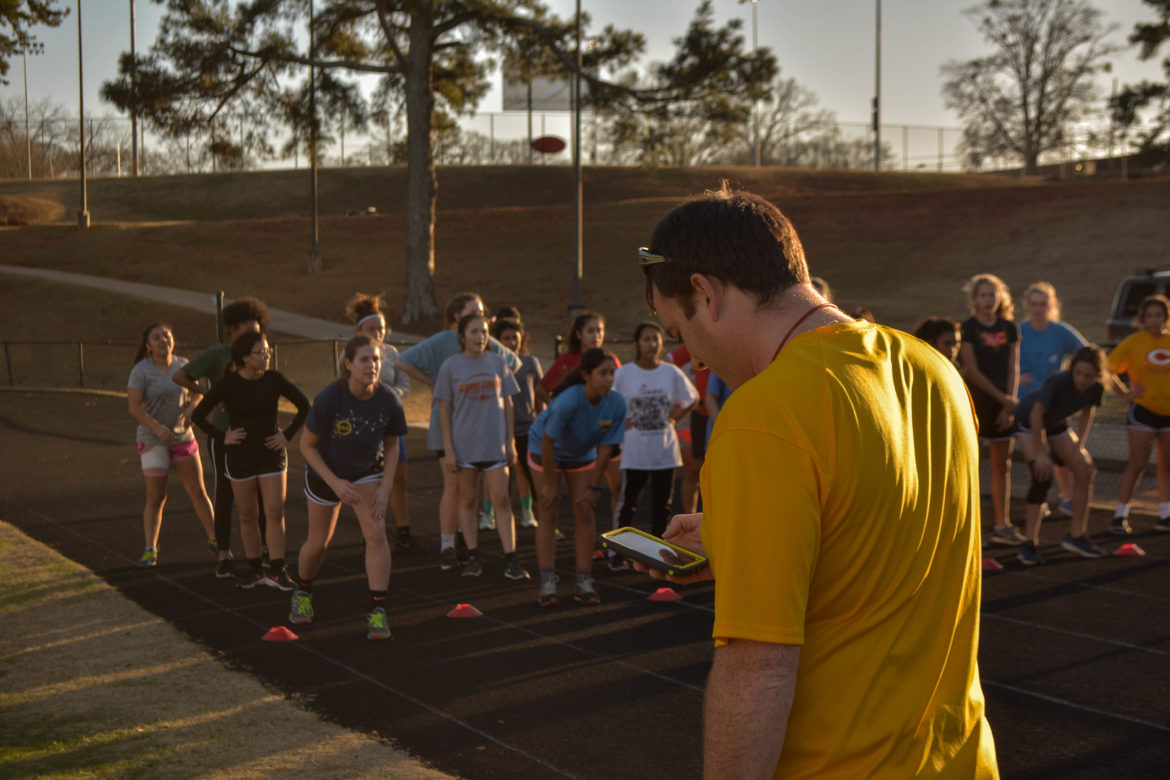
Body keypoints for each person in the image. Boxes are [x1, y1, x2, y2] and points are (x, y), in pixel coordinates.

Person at [634, 186, 997, 777]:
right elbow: (879, 535)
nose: (693, 358)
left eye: (680, 331)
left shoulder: (764, 415)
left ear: (705, 293)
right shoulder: (934, 370)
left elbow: (757, 670)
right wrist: (740, 537)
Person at [292, 335, 408, 640]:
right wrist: (334, 482)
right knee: (318, 543)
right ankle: (302, 591)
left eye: (376, 359)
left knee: (376, 534)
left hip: (365, 472)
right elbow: (306, 446)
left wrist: (384, 488)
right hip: (325, 474)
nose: (372, 365)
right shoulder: (331, 397)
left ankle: (378, 611)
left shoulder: (388, 399)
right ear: (348, 364)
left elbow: (392, 444)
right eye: (364, 359)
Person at [397, 293, 521, 569]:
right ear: (457, 318)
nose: (480, 317)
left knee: (480, 494)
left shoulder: (490, 349)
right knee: (454, 487)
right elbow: (402, 360)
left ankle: (468, 543)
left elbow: (513, 364)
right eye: (473, 311)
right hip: (451, 428)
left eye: (482, 313)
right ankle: (448, 545)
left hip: (482, 430)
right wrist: (431, 383)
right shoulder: (443, 344)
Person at [192, 331, 310, 590]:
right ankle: (255, 570)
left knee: (275, 512)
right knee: (247, 515)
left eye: (268, 351)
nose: (267, 356)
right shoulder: (229, 383)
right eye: (261, 352)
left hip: (271, 453)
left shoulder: (274, 379)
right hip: (240, 455)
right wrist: (223, 436)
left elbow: (305, 405)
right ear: (245, 357)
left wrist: (287, 435)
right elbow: (198, 415)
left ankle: (277, 569)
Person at [173, 296, 269, 577]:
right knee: (225, 494)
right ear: (234, 329)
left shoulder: (260, 354)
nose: (253, 337)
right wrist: (210, 395)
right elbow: (180, 376)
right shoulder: (217, 355)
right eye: (248, 331)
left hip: (255, 435)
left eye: (257, 331)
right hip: (224, 434)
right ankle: (224, 554)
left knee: (262, 495)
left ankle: (264, 550)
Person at [529, 348, 626, 607]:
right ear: (586, 375)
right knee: (549, 511)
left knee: (584, 510)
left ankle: (584, 582)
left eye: (612, 373)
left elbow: (606, 448)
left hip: (581, 454)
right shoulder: (568, 401)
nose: (609, 379)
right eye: (603, 373)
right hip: (545, 450)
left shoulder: (617, 403)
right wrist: (551, 485)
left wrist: (594, 487)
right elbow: (547, 442)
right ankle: (547, 583)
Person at [435, 313, 527, 580]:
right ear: (462, 336)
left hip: (494, 445)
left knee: (502, 500)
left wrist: (510, 441)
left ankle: (511, 558)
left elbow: (508, 403)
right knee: (468, 500)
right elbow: (444, 411)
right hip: (465, 447)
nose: (480, 337)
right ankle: (473, 557)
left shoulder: (498, 362)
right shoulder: (450, 367)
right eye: (474, 332)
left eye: (484, 332)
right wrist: (449, 449)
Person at [1013, 346, 1117, 564]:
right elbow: (1036, 415)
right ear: (1072, 370)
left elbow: (1088, 412)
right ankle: (1028, 544)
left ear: (1097, 375)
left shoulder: (1096, 387)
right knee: (1042, 476)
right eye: (1078, 373)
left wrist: (1080, 446)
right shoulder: (1059, 381)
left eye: (1088, 375)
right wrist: (1041, 454)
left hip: (1056, 422)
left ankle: (1076, 536)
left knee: (1085, 470)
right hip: (1029, 420)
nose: (1082, 379)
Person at [127, 323, 217, 567]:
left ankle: (216, 540)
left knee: (198, 491)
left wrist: (192, 407)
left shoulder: (182, 365)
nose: (163, 341)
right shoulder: (141, 371)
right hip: (153, 440)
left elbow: (197, 392)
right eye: (156, 338)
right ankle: (150, 549)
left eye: (166, 336)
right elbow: (134, 407)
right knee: (157, 496)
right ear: (148, 345)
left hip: (182, 437)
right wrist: (157, 428)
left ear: (173, 340)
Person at [608, 322, 697, 569]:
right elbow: (610, 402)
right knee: (628, 505)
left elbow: (692, 397)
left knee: (662, 507)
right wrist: (621, 422)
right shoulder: (624, 374)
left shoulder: (671, 373)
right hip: (635, 452)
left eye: (656, 339)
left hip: (665, 452)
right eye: (646, 339)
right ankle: (617, 554)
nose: (652, 344)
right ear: (637, 343)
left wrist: (675, 418)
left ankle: (659, 556)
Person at [342, 293, 425, 556]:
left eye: (382, 328)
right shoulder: (349, 354)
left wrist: (387, 399)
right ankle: (370, 535)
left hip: (390, 425)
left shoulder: (391, 353)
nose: (378, 333)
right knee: (367, 483)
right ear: (359, 330)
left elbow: (404, 385)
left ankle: (404, 533)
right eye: (372, 329)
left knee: (398, 479)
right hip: (364, 428)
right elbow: (344, 389)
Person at [960, 273, 1023, 546]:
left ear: (1001, 297)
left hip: (1004, 407)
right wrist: (1003, 399)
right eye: (983, 295)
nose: (988, 300)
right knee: (972, 466)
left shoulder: (1010, 328)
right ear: (975, 299)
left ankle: (1001, 524)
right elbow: (972, 371)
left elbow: (1013, 367)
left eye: (992, 295)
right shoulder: (968, 328)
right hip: (977, 404)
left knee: (1002, 466)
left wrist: (1009, 404)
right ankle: (971, 527)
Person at [1018, 282, 1088, 517]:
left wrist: (1072, 378)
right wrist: (1017, 376)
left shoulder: (1060, 331)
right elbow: (1005, 361)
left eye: (1043, 304)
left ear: (1052, 306)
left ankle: (1066, 497)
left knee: (1064, 456)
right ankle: (1039, 500)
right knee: (1035, 459)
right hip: (1027, 403)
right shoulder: (1019, 331)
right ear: (1027, 306)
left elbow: (1085, 354)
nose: (1038, 309)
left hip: (1054, 404)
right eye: (1034, 304)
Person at [1109, 294, 1170, 534]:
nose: (1154, 320)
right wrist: (1126, 394)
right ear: (1142, 318)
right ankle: (1120, 515)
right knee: (1137, 464)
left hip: (1168, 414)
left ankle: (1165, 514)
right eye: (1149, 316)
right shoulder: (1133, 343)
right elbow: (1107, 369)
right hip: (1143, 411)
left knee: (1166, 465)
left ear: (1166, 317)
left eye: (1159, 316)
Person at [494, 316, 544, 529]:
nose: (511, 342)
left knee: (534, 478)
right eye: (506, 338)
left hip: (528, 428)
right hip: (501, 430)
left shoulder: (530, 362)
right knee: (502, 482)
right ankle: (501, 522)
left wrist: (542, 422)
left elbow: (540, 393)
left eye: (515, 337)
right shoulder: (494, 364)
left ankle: (541, 520)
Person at [666, 343, 709, 513]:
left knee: (715, 471)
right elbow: (665, 365)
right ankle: (689, 517)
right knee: (692, 469)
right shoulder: (690, 347)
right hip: (692, 418)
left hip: (717, 414)